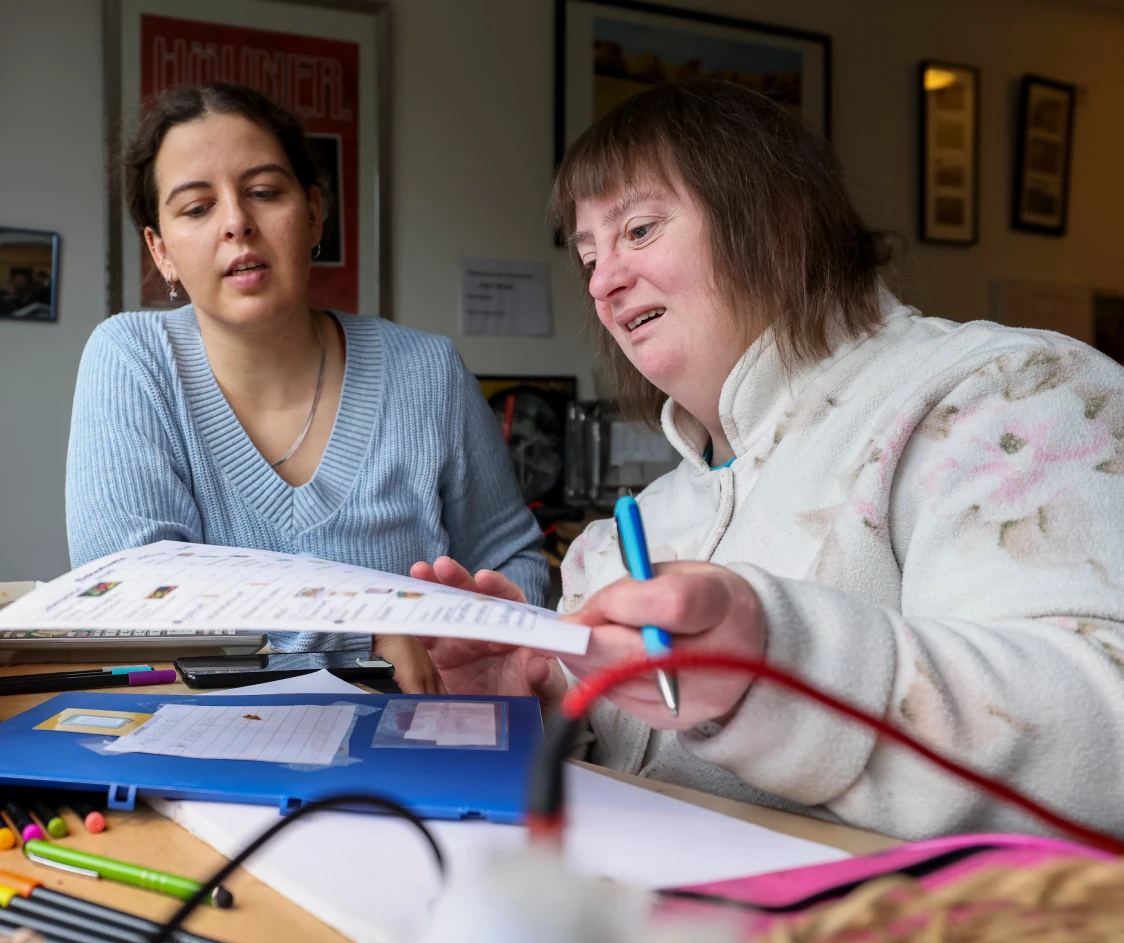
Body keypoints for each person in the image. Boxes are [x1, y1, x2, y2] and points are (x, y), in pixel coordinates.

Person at [415, 78, 1124, 840]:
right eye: (588, 256)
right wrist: (534, 700)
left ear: (779, 222)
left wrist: (779, 660)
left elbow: (1103, 734)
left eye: (640, 230)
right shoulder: (627, 534)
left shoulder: (1008, 394)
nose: (603, 280)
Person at [66, 83, 547, 692]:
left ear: (315, 213)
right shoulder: (131, 360)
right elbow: (135, 602)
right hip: (201, 754)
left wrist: (465, 637)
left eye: (264, 192)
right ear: (160, 250)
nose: (237, 223)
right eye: (196, 207)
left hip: (419, 747)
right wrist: (364, 635)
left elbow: (515, 564)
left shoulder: (429, 373)